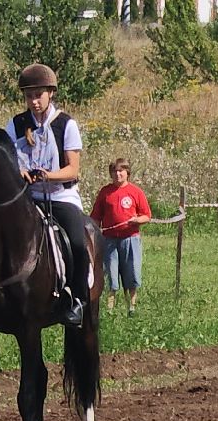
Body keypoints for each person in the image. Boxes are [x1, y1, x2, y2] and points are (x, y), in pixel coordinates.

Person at [9, 63, 92, 329]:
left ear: (50, 94)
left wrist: (47, 175)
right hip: (28, 197)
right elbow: (8, 158)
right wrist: (19, 171)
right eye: (29, 96)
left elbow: (73, 169)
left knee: (78, 244)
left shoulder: (66, 124)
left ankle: (77, 300)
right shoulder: (16, 124)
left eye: (38, 95)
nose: (33, 101)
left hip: (60, 196)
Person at [92, 159, 152, 314]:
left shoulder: (136, 192)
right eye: (114, 171)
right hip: (109, 240)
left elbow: (147, 215)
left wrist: (137, 220)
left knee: (131, 272)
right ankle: (110, 308)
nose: (117, 174)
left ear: (127, 173)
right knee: (111, 274)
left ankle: (131, 307)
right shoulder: (105, 192)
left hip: (130, 238)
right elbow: (96, 217)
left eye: (121, 171)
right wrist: (94, 232)